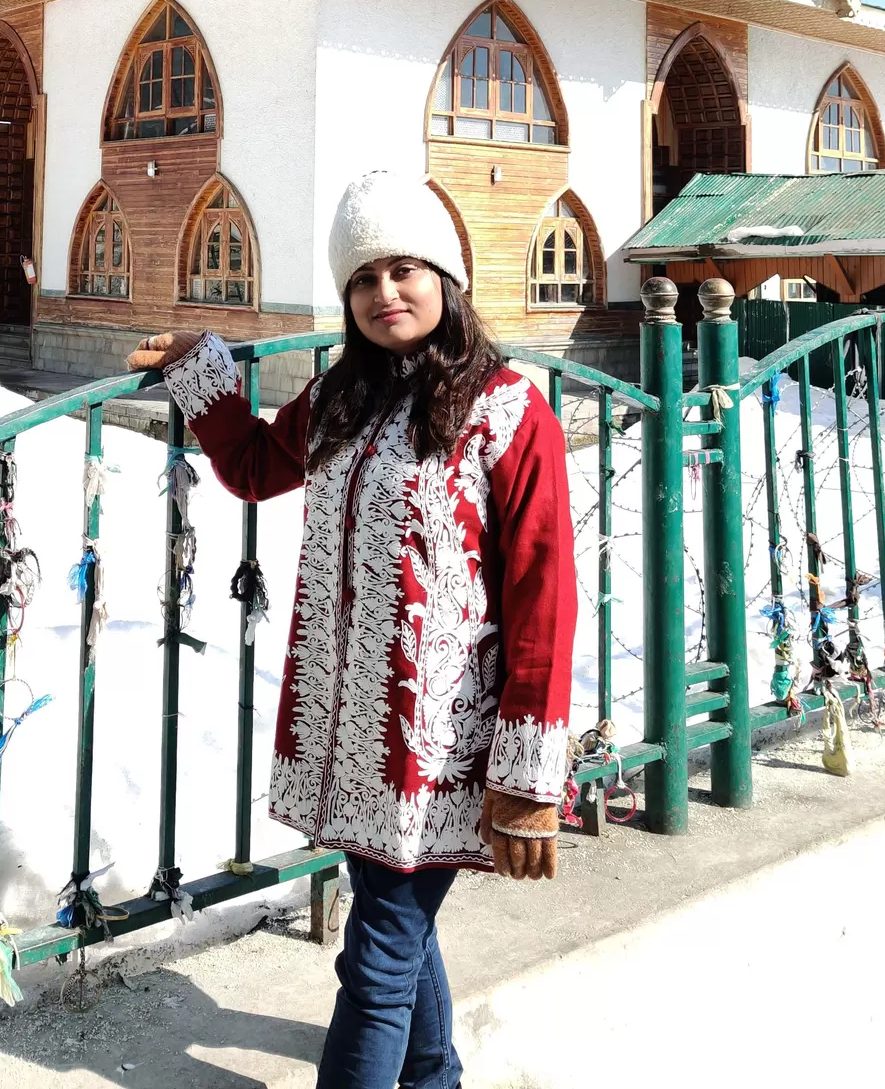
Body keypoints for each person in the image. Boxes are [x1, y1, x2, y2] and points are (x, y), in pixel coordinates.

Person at [129, 169, 575, 1089]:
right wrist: (201, 370)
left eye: (404, 269)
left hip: (441, 742)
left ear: (445, 278)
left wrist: (528, 781)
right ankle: (435, 1076)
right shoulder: (341, 397)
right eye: (364, 279)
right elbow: (256, 467)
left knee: (375, 961)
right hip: (352, 734)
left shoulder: (506, 410)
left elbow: (544, 590)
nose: (385, 294)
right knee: (393, 920)